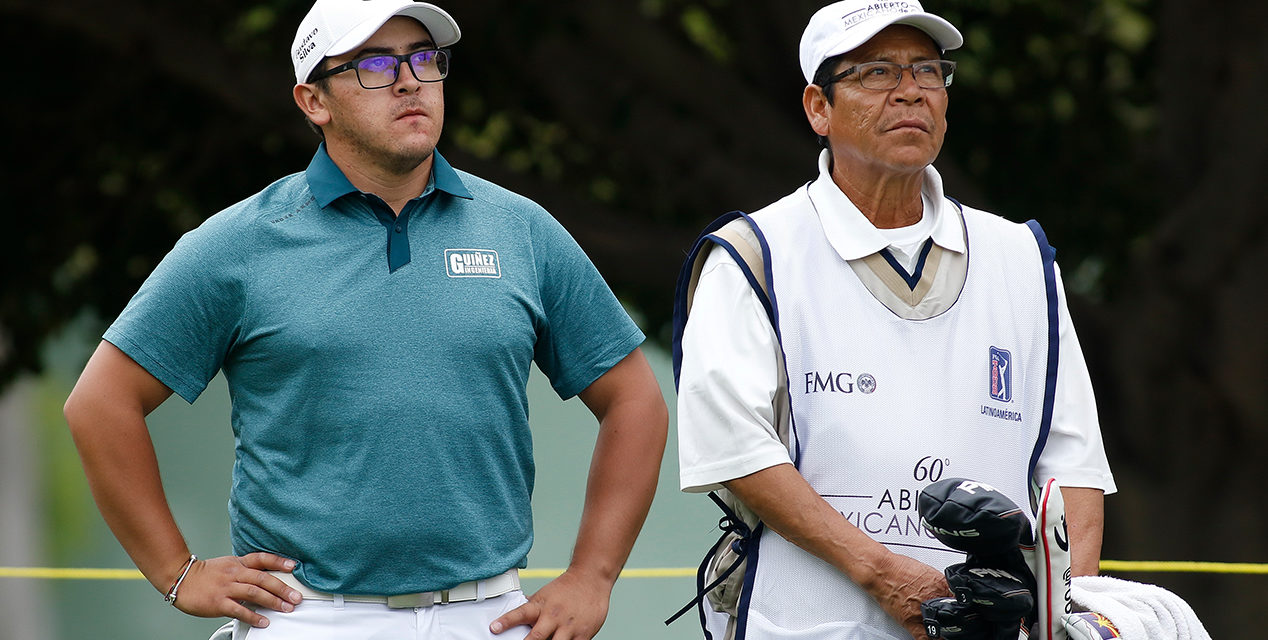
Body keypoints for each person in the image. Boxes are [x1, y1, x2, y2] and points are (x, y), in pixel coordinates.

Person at [63, 1, 668, 639]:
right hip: (310, 618)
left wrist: (593, 576)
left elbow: (634, 399)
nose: (409, 81)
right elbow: (101, 405)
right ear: (313, 101)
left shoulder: (520, 229)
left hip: (490, 616)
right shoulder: (239, 243)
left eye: (424, 60)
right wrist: (177, 572)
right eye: (376, 64)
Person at [672, 2, 1115, 639]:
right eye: (876, 72)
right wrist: (886, 576)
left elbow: (1070, 469)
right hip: (806, 624)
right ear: (818, 108)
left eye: (929, 71)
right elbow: (732, 450)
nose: (910, 91)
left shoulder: (1021, 258)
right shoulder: (755, 255)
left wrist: (1062, 617)